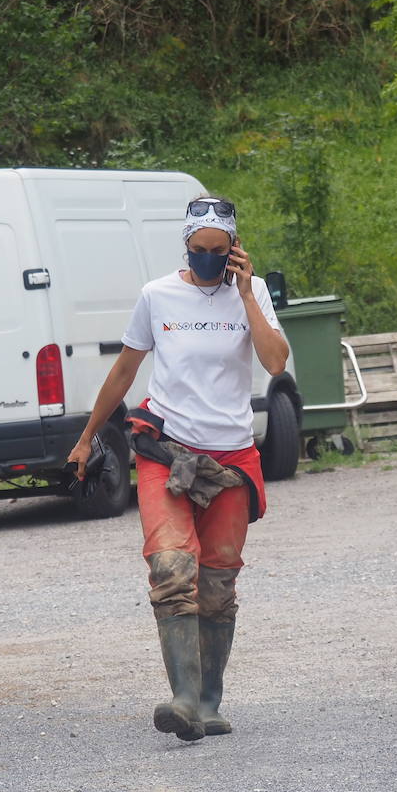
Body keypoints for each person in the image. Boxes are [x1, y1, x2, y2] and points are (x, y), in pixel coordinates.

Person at [67, 196, 289, 741]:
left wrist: (245, 294)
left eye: (220, 250)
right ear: (186, 246)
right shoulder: (157, 296)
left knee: (216, 583)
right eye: (199, 250)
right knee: (171, 568)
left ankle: (210, 701)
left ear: (234, 249)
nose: (209, 259)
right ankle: (183, 699)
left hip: (230, 460)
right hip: (165, 450)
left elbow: (276, 360)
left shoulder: (251, 293)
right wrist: (87, 436)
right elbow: (124, 370)